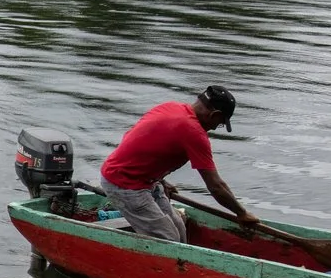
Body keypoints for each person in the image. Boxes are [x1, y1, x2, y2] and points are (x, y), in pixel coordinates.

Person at [99, 85, 253, 244]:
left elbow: (140, 145)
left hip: (145, 181)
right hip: (123, 183)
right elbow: (215, 186)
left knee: (179, 226)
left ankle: (181, 265)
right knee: (168, 238)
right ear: (215, 114)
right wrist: (241, 213)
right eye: (219, 123)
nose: (215, 128)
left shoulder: (171, 107)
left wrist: (160, 179)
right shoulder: (194, 132)